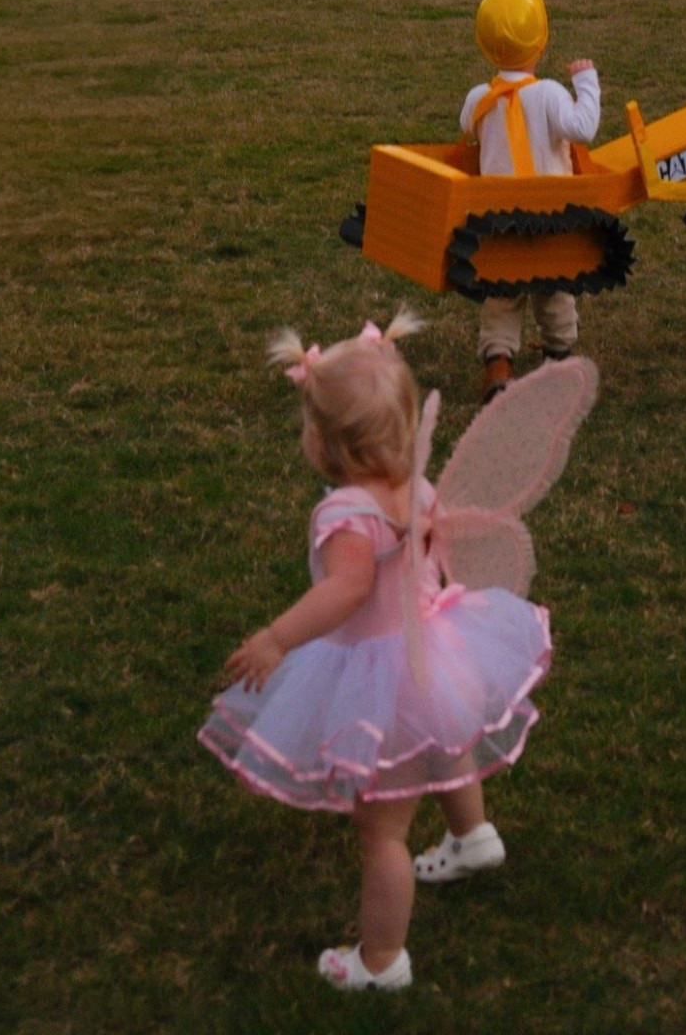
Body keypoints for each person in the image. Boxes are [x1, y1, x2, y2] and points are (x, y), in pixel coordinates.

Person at [198, 314, 551, 994]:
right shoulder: (417, 487)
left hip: (382, 672)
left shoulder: (345, 516)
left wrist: (277, 638)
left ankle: (381, 961)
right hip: (438, 651)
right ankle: (473, 837)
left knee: (381, 831)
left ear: (325, 443)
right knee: (444, 736)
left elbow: (347, 590)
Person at [461, 0, 601, 399]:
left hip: (499, 222)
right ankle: (558, 359)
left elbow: (467, 126)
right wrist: (587, 83)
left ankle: (499, 366)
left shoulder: (479, 98)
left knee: (502, 296)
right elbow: (583, 129)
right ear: (541, 44)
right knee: (555, 291)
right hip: (550, 219)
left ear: (485, 46)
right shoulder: (550, 94)